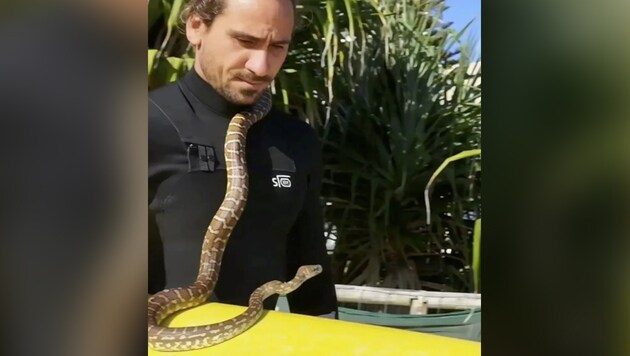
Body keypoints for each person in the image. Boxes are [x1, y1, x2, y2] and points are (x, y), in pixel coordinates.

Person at [148, 0, 338, 319]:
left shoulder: (296, 140)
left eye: (278, 47)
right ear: (196, 27)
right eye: (245, 41)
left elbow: (312, 277)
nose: (261, 67)